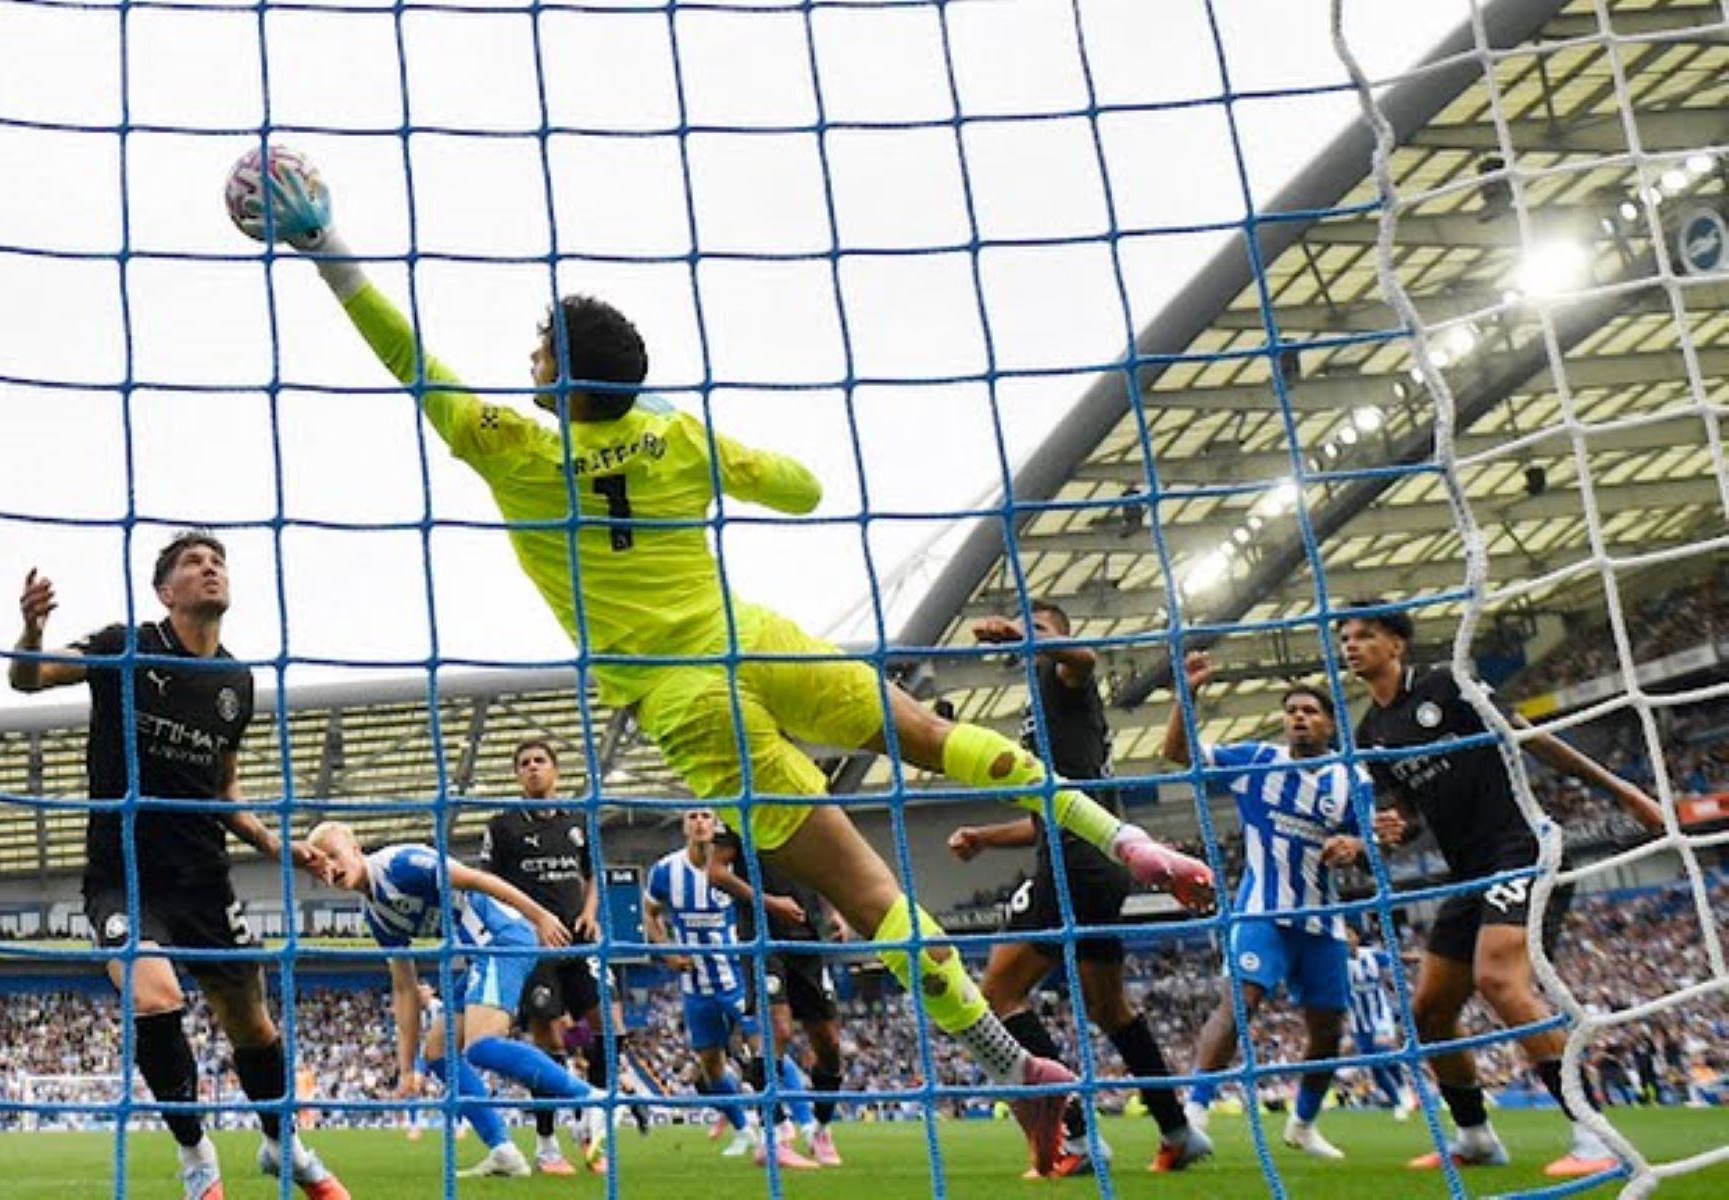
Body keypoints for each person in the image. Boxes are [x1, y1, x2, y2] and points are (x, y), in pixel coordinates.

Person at [228, 146, 1215, 1176]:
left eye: (537, 353)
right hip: (757, 634)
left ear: (561, 374)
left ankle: (1015, 1070)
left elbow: (409, 357)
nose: (526, 363)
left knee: (875, 897)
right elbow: (801, 489)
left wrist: (320, 243)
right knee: (929, 734)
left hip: (688, 697)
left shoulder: (510, 448)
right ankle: (1124, 836)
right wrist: (680, 436)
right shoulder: (675, 436)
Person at [11, 531, 347, 1200]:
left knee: (251, 1022)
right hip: (122, 877)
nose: (210, 567)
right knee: (154, 995)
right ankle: (197, 1158)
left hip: (204, 879)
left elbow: (225, 791)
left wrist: (280, 847)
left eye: (216, 560)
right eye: (194, 563)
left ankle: (284, 1147)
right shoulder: (123, 646)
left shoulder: (234, 682)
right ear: (166, 591)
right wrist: (30, 628)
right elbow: (27, 678)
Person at [1338, 602, 1664, 1177]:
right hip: (1467, 872)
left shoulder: (1448, 686)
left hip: (1522, 847)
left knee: (1498, 980)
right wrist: (1388, 834)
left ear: (1396, 644)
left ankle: (1596, 1138)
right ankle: (1476, 1137)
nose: (1351, 645)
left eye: (1364, 635)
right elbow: (1408, 816)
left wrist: (1624, 793)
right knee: (1429, 1011)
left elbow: (1531, 738)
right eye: (1345, 638)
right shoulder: (1372, 731)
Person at [944, 602, 1210, 1175]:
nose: (1029, 635)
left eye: (1042, 628)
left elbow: (1084, 657)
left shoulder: (1063, 680)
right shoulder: (1043, 712)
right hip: (1094, 861)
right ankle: (1177, 1130)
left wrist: (1023, 636)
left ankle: (1078, 1139)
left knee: (996, 996)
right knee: (1109, 1007)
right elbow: (1048, 815)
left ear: (1058, 637)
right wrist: (987, 838)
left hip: (1074, 865)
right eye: (1025, 626)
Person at [302, 822, 609, 1179]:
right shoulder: (376, 916)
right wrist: (405, 1070)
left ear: (356, 849)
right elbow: (404, 988)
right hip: (479, 954)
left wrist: (538, 916)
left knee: (481, 1047)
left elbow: (477, 879)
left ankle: (593, 1100)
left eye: (334, 857)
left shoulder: (400, 865)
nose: (329, 869)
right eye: (318, 866)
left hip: (503, 937)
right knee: (436, 1051)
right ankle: (503, 1150)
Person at [1162, 652, 1368, 1160]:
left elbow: (1376, 844)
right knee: (1240, 1003)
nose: (1299, 716)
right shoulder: (1257, 760)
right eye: (1292, 709)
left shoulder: (1352, 779)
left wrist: (1355, 848)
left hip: (1322, 922)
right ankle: (1195, 1114)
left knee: (1327, 1030)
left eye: (1311, 711)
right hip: (1260, 911)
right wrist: (1185, 695)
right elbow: (1176, 754)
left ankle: (1302, 1125)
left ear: (1331, 723)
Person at [644, 810, 813, 1167]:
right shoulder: (665, 871)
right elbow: (649, 914)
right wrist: (667, 950)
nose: (701, 822)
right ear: (684, 825)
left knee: (764, 1045)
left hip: (737, 974)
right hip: (696, 984)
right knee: (710, 1065)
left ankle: (805, 1126)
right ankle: (743, 1130)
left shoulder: (734, 868)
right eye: (693, 816)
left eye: (707, 816)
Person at [477, 739, 609, 1175]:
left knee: (605, 1027)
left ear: (555, 770)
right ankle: (547, 1143)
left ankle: (591, 1125)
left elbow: (594, 876)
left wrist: (591, 914)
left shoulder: (578, 821)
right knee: (549, 1037)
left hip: (579, 942)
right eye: (524, 764)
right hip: (534, 947)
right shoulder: (503, 826)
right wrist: (523, 924)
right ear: (517, 775)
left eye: (540, 761)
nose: (533, 769)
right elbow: (486, 885)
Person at [706, 820, 848, 1165]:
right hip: (762, 936)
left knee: (828, 1043)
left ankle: (820, 1130)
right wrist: (768, 902)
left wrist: (836, 911)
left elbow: (824, 865)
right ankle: (774, 1136)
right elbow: (715, 871)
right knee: (777, 1029)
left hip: (807, 936)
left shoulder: (802, 805)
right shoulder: (737, 810)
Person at [1344, 925, 1417, 1120]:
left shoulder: (1371, 956)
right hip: (1358, 1022)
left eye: (1349, 934)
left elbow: (1397, 958)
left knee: (1383, 1054)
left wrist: (1420, 957)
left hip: (1380, 1016)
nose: (1345, 939)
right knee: (1374, 1066)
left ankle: (1402, 1086)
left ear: (1356, 937)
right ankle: (1397, 1102)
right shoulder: (1336, 963)